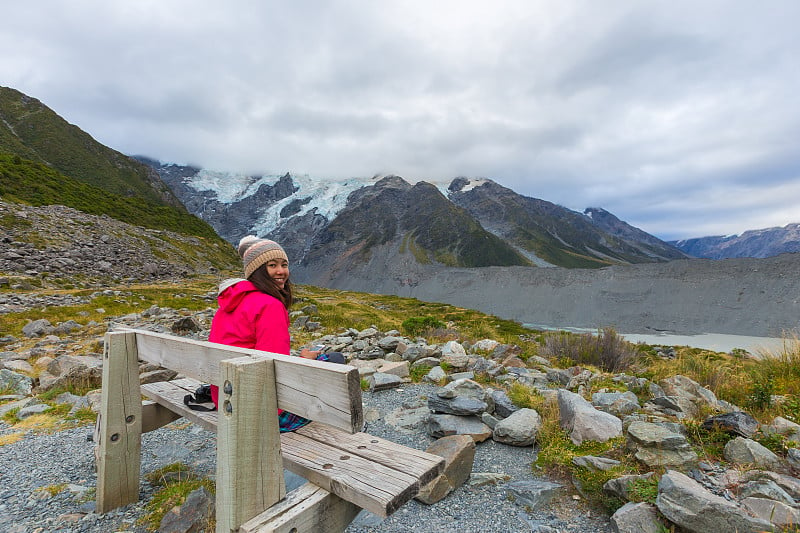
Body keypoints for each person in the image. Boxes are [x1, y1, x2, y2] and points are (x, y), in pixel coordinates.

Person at [208, 235, 343, 432]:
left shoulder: (228, 304)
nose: (281, 272)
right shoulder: (269, 305)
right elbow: (275, 367)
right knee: (335, 360)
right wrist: (306, 361)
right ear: (257, 270)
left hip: (226, 400)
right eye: (272, 265)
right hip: (258, 412)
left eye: (284, 264)